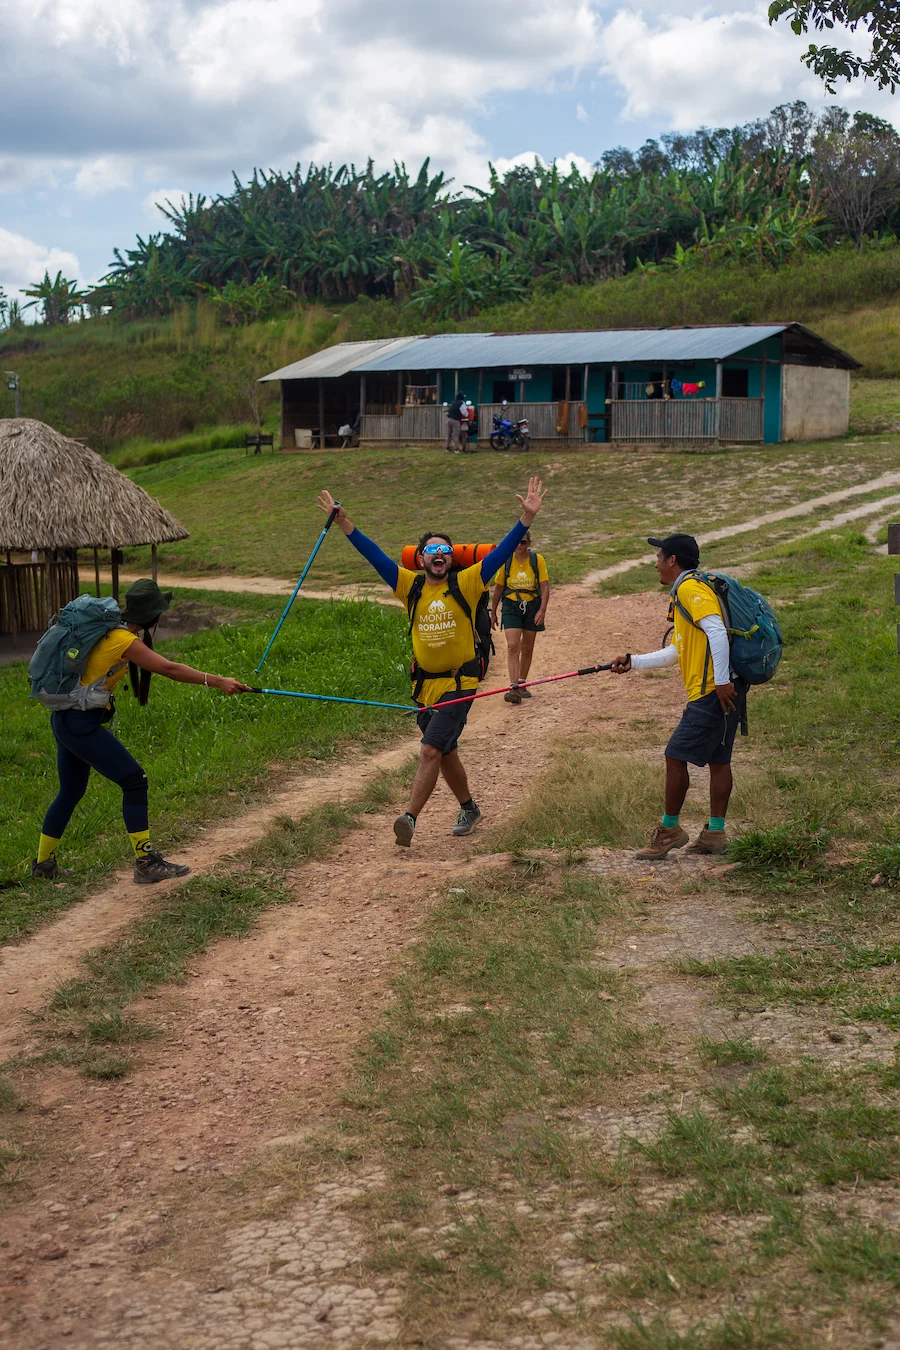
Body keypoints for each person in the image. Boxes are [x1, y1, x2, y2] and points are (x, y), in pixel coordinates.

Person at [315, 478, 547, 847]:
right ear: (421, 559)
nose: (438, 555)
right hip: (424, 686)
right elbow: (375, 557)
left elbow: (502, 553)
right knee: (446, 751)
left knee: (429, 750)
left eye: (444, 550)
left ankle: (409, 817)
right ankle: (469, 808)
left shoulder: (469, 582)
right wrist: (345, 525)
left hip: (460, 684)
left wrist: (525, 519)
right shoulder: (410, 586)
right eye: (430, 551)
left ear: (451, 558)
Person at [32, 579, 248, 885]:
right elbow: (169, 669)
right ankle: (146, 863)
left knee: (71, 791)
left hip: (66, 720)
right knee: (135, 781)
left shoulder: (112, 631)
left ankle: (43, 864)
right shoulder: (123, 640)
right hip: (79, 724)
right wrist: (219, 680)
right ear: (154, 616)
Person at [609, 534, 744, 859]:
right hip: (724, 687)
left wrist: (722, 681)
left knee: (674, 755)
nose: (655, 561)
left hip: (712, 690)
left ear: (672, 561)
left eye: (658, 555)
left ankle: (669, 831)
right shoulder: (690, 590)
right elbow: (679, 650)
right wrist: (635, 661)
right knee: (719, 759)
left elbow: (716, 632)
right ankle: (714, 833)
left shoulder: (689, 588)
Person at [489, 531, 550, 704]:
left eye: (523, 542)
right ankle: (513, 686)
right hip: (511, 605)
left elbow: (544, 587)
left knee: (528, 647)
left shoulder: (537, 560)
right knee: (513, 645)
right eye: (516, 542)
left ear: (529, 543)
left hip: (532, 605)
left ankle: (522, 682)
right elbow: (499, 588)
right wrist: (493, 611)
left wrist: (542, 610)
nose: (519, 545)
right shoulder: (506, 560)